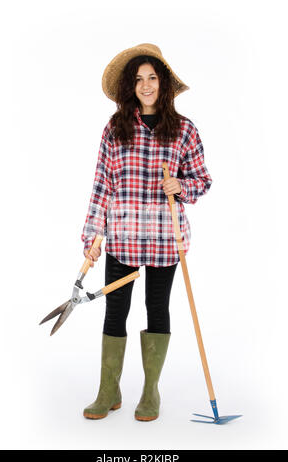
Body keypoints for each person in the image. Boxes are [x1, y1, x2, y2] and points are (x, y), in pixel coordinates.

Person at [81, 43, 212, 421]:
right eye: (138, 79)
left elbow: (202, 181)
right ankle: (109, 390)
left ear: (163, 83)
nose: (146, 85)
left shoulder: (184, 130)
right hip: (121, 238)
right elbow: (102, 186)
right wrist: (92, 237)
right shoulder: (115, 127)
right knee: (114, 312)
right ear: (130, 86)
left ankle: (150, 392)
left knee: (157, 310)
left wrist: (181, 187)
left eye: (152, 77)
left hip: (164, 239)